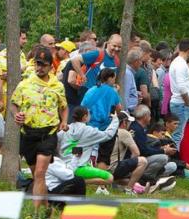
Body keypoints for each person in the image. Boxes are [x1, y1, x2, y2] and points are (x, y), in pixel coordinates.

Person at [13, 46, 68, 197]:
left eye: (43, 64)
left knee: (39, 173)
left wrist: (64, 121)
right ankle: (45, 206)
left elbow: (64, 106)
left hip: (48, 133)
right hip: (28, 133)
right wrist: (16, 115)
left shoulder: (58, 86)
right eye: (38, 63)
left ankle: (38, 213)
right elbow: (14, 103)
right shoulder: (25, 84)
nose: (40, 67)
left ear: (51, 66)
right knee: (35, 174)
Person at [81, 66, 121, 131]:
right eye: (114, 79)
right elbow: (118, 109)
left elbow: (83, 106)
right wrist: (115, 92)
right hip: (105, 128)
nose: (114, 81)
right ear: (110, 78)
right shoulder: (112, 92)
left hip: (89, 126)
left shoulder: (91, 90)